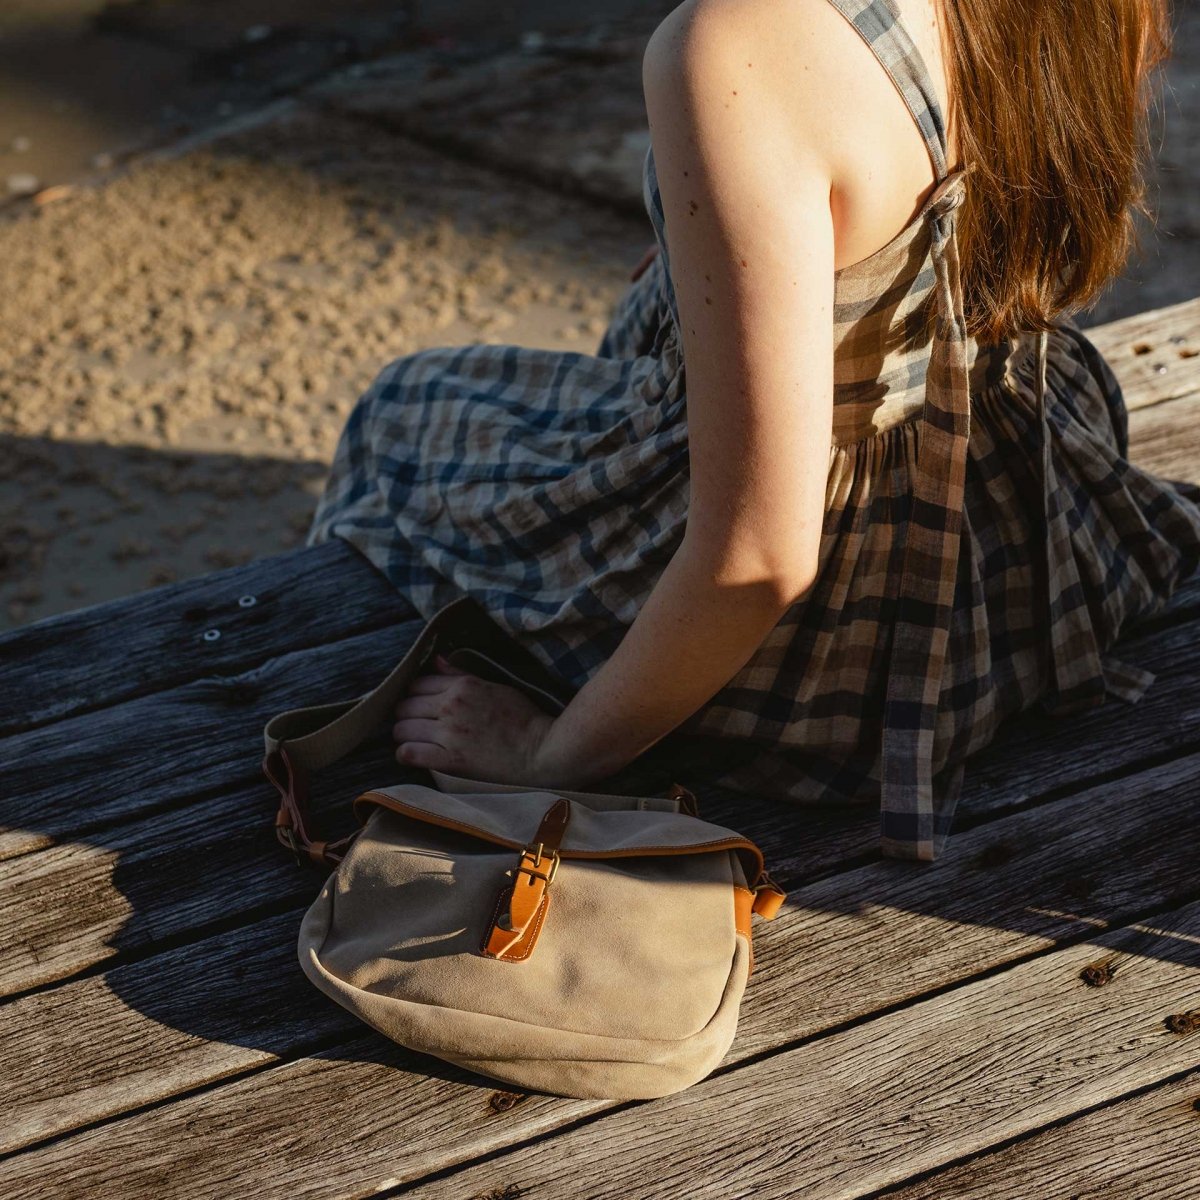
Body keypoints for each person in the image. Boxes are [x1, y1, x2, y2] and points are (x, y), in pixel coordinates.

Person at [308, 0, 1200, 861]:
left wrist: (545, 759)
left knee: (403, 410)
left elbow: (759, 560)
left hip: (860, 639)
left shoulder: (738, 42)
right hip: (1036, 500)